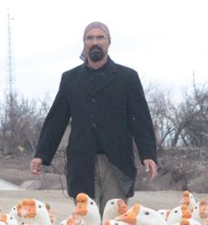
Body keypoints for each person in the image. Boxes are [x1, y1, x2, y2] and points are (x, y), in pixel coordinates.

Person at [31, 21, 157, 210]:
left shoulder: (127, 77)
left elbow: (140, 119)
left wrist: (148, 154)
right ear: (84, 43)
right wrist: (41, 155)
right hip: (82, 162)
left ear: (108, 42)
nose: (95, 42)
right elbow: (56, 119)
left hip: (116, 162)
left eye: (100, 37)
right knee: (86, 222)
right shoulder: (70, 79)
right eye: (90, 38)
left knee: (114, 222)